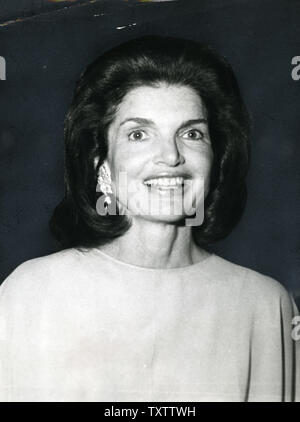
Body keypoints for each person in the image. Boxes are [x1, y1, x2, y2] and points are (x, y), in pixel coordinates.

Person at [0, 35, 299, 402]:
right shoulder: (30, 294)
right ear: (102, 164)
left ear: (216, 159)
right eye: (139, 134)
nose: (170, 156)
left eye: (191, 133)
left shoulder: (265, 305)